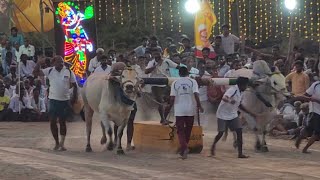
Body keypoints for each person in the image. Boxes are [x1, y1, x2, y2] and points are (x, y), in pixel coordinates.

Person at [33, 56, 78, 151]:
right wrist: (38, 63)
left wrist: (74, 97)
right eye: (58, 62)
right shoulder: (49, 71)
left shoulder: (68, 71)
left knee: (62, 122)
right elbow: (35, 73)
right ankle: (57, 143)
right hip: (53, 100)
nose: (61, 64)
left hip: (65, 101)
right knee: (53, 122)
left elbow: (75, 86)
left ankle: (62, 143)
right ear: (53, 63)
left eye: (62, 62)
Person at [211, 77, 259, 158]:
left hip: (233, 114)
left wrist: (251, 113)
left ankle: (240, 153)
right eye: (246, 85)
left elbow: (239, 105)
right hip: (222, 114)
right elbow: (224, 97)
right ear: (241, 85)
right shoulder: (233, 90)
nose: (246, 87)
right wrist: (230, 101)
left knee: (239, 132)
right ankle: (213, 145)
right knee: (221, 133)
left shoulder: (241, 92)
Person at [164, 66, 203, 159]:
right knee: (188, 130)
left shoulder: (175, 83)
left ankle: (184, 148)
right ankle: (184, 149)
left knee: (180, 131)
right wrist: (199, 105)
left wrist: (169, 107)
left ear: (179, 74)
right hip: (190, 109)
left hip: (179, 109)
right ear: (188, 73)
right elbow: (196, 94)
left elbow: (172, 98)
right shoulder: (193, 82)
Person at [145, 49, 179, 125]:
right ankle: (163, 119)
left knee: (171, 101)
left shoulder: (167, 61)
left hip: (166, 83)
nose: (157, 56)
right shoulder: (152, 62)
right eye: (155, 54)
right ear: (153, 55)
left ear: (161, 54)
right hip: (155, 84)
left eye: (158, 54)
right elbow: (146, 71)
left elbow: (177, 66)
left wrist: (185, 71)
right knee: (160, 102)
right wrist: (156, 65)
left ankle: (164, 118)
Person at [295, 80, 320, 153]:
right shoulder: (316, 84)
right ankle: (304, 148)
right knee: (316, 132)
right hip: (314, 111)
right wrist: (307, 98)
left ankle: (300, 140)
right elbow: (305, 94)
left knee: (310, 129)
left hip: (315, 110)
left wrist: (314, 99)